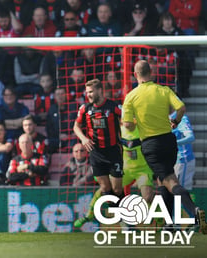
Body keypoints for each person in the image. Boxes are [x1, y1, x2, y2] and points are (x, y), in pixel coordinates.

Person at [122, 60, 206, 233]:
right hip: (169, 141)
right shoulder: (164, 90)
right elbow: (181, 108)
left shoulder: (131, 96)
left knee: (169, 181)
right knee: (164, 178)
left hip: (151, 144)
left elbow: (128, 125)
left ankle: (195, 211)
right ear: (151, 72)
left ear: (135, 75)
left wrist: (140, 119)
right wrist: (174, 121)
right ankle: (169, 224)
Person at [74, 125, 155, 228]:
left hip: (143, 170)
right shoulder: (118, 130)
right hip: (126, 169)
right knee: (105, 188)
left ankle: (159, 219)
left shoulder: (145, 129)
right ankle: (89, 215)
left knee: (147, 197)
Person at [73, 79, 123, 212]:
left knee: (117, 189)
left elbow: (125, 121)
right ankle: (123, 219)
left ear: (100, 90)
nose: (88, 95)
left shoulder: (113, 107)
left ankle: (123, 215)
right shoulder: (85, 109)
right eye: (87, 92)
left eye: (91, 92)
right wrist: (83, 139)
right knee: (106, 188)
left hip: (113, 151)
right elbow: (76, 126)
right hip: (95, 153)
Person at [170, 111, 195, 191]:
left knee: (181, 191)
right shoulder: (163, 119)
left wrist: (173, 143)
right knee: (174, 191)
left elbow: (191, 137)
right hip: (172, 161)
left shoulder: (181, 119)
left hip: (182, 161)